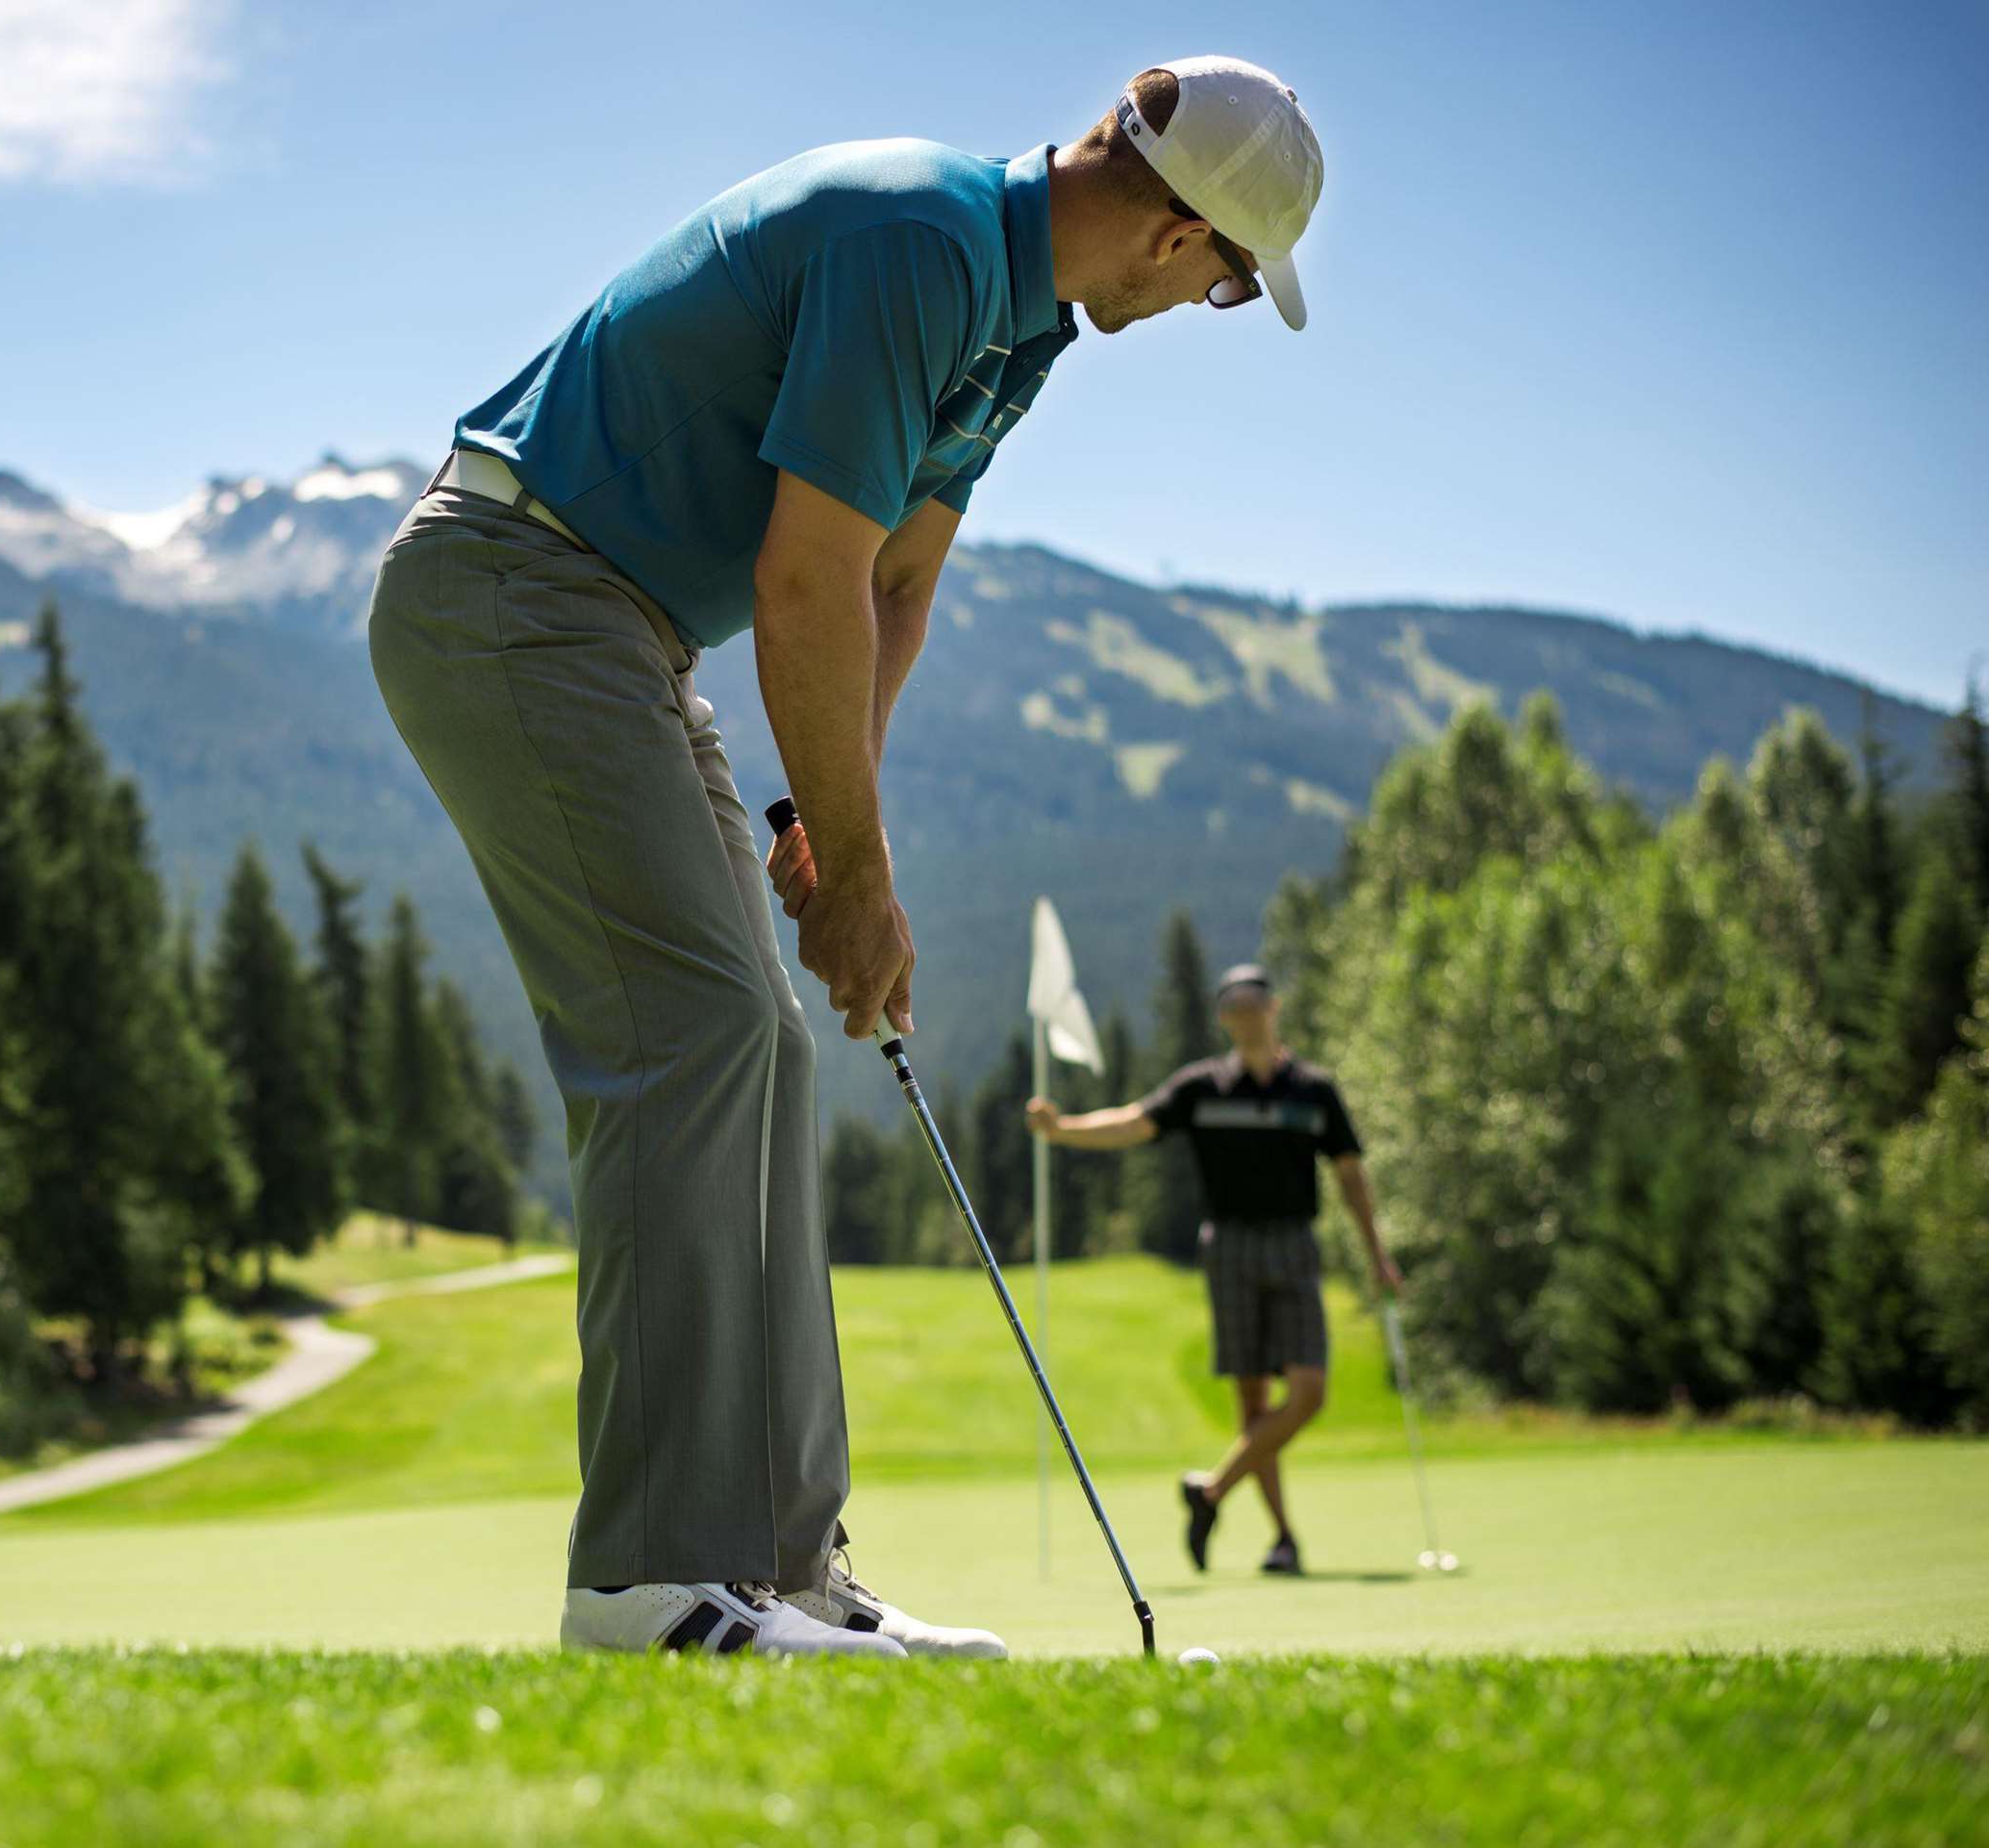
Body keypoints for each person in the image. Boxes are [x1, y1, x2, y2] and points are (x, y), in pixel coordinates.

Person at [367, 60, 1325, 1658]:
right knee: (691, 1035)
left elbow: (892, 586)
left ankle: (779, 1566)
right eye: (1227, 283)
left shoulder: (1014, 330)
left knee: (760, 1044)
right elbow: (804, 579)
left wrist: (835, 828)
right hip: (514, 589)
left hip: (620, 629)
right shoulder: (917, 242)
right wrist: (862, 885)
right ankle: (649, 1581)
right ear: (1175, 238)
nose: (1204, 304)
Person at [1026, 963, 1398, 1577]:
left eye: (1255, 1003)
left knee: (1308, 1392)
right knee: (1252, 1401)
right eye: (1234, 1006)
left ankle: (1212, 1490)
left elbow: (1351, 1175)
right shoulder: (1202, 1088)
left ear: (1274, 1008)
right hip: (1229, 1247)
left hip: (1294, 1245)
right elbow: (1133, 1122)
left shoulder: (1314, 1090)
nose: (1246, 1014)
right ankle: (1283, 1539)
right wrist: (1062, 1129)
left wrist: (1376, 1253)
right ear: (1225, 1018)